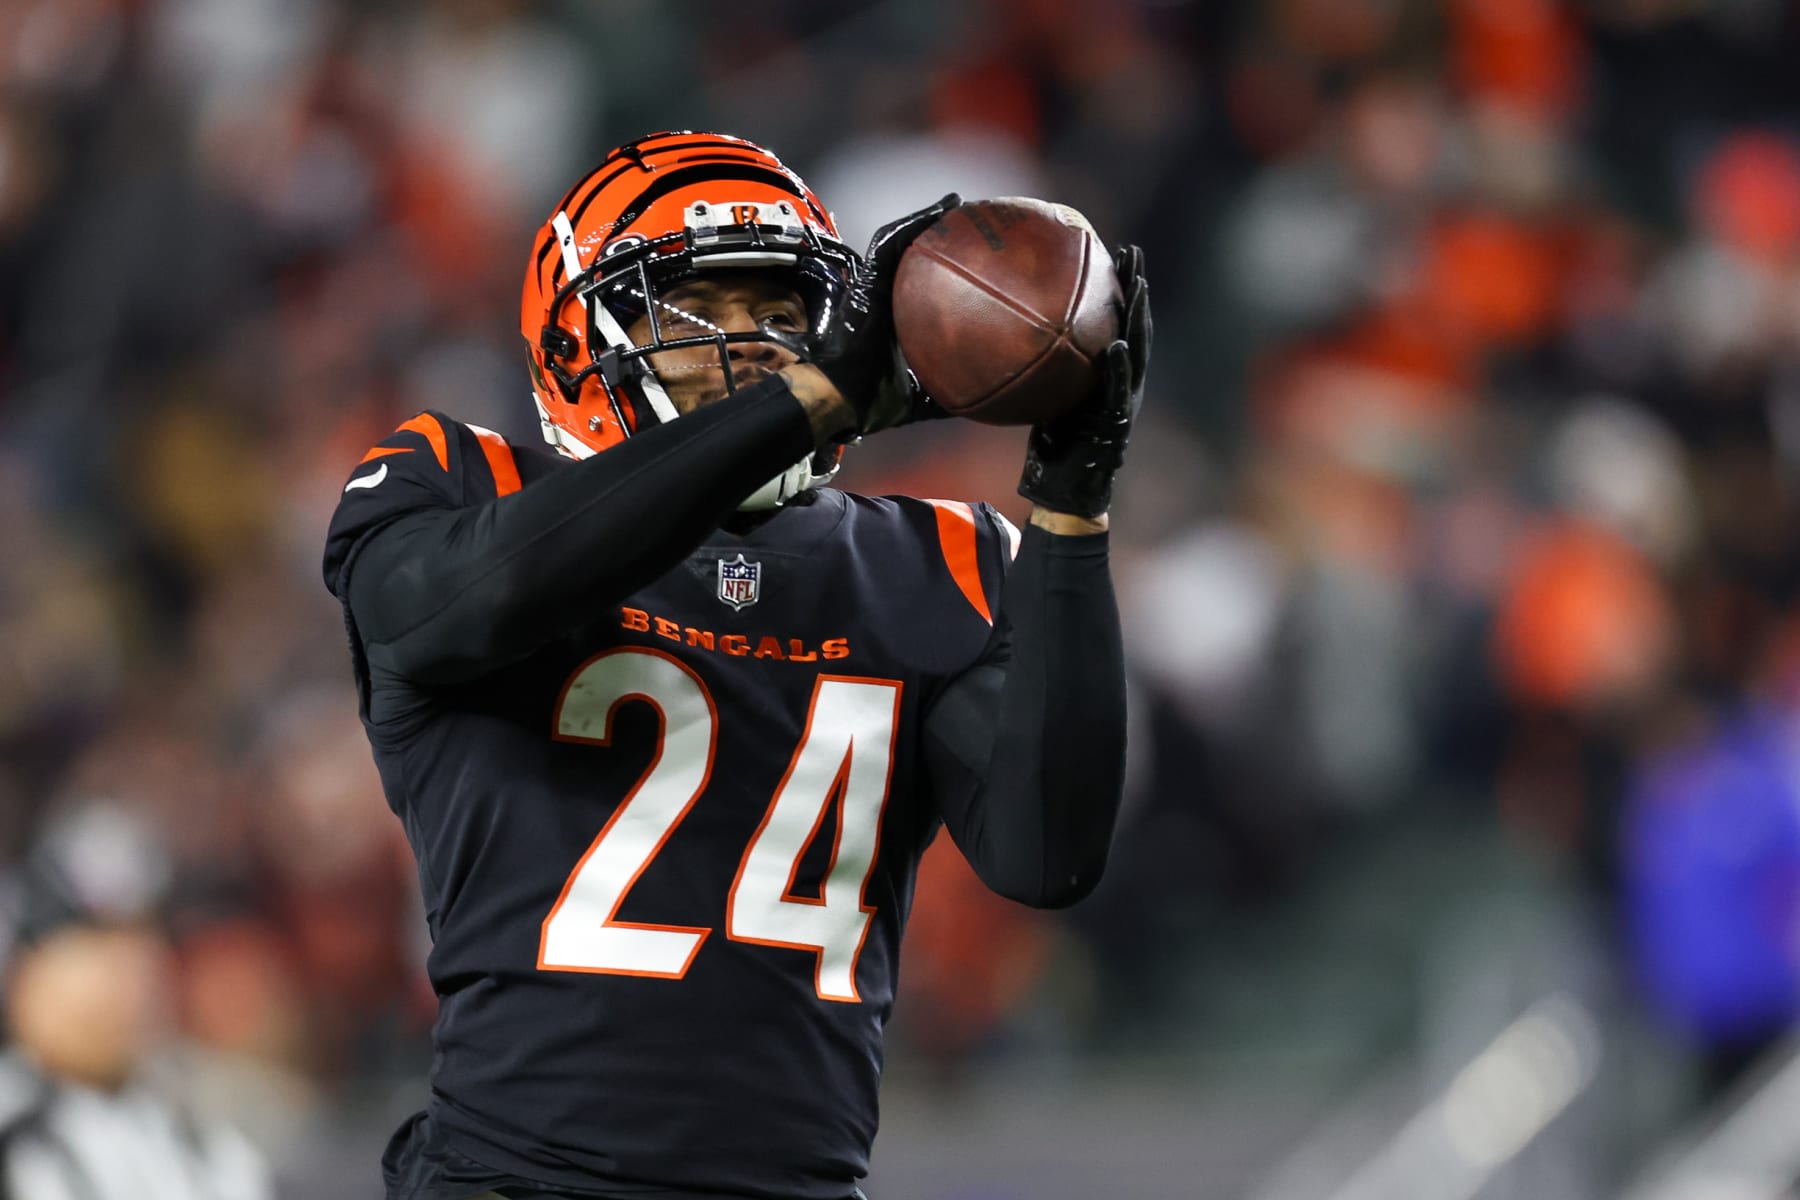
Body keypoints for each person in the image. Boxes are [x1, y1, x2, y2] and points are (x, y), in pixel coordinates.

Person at [322, 131, 1150, 1200]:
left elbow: (1047, 856)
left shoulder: (941, 561)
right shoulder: (457, 482)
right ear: (580, 341)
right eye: (697, 314)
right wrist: (797, 404)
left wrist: (1073, 513)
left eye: (780, 318)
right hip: (520, 1179)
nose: (749, 347)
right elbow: (459, 611)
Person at [0, 805, 272, 1200]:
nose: (132, 970)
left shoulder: (210, 1128)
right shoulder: (15, 1131)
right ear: (26, 974)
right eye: (95, 941)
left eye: (145, 937)